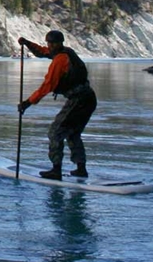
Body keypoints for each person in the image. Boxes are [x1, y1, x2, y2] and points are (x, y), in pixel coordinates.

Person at [16, 30, 97, 181]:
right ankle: (81, 169)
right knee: (73, 133)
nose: (50, 46)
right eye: (49, 43)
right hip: (88, 98)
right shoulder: (67, 52)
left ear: (60, 43)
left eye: (53, 43)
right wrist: (28, 43)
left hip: (79, 100)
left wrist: (27, 103)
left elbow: (47, 86)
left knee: (55, 132)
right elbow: (42, 52)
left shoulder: (60, 60)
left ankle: (56, 170)